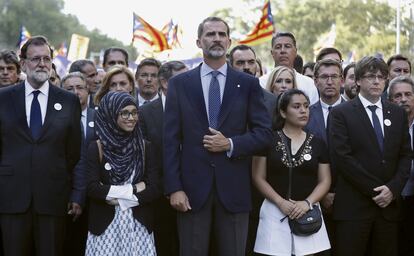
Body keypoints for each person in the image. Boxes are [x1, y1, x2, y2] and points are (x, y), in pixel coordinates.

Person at [163, 16, 272, 256]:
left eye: (222, 34)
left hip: (234, 190)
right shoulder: (180, 84)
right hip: (191, 192)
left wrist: (230, 144)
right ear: (199, 42)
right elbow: (170, 141)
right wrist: (174, 188)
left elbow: (264, 134)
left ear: (229, 41)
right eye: (211, 34)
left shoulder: (248, 84)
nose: (217, 39)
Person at [0, 35, 81, 255]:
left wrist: (75, 193)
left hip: (53, 199)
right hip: (10, 198)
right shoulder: (3, 98)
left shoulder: (68, 101)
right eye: (36, 59)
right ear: (23, 63)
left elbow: (74, 152)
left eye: (46, 58)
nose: (42, 64)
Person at [329, 56, 412, 256]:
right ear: (357, 80)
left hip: (388, 210)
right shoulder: (341, 113)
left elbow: (405, 155)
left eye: (381, 77)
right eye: (370, 76)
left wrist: (392, 189)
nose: (376, 81)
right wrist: (376, 191)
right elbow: (342, 157)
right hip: (354, 209)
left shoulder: (397, 113)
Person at [253, 88, 331, 255]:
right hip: (274, 211)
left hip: (308, 212)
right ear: (283, 111)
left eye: (306, 106)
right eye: (296, 106)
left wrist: (307, 203)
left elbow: (325, 181)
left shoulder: (318, 143)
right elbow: (258, 177)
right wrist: (280, 202)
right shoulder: (267, 140)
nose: (303, 110)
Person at [85, 91, 161, 255]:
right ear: (110, 114)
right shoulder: (96, 147)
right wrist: (133, 189)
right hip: (105, 226)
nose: (131, 118)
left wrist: (121, 201)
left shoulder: (145, 147)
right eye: (124, 113)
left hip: (138, 224)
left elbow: (154, 188)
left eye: (134, 112)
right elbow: (92, 188)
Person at [138, 60, 188, 256]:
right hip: (158, 196)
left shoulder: (197, 109)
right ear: (165, 83)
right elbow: (144, 156)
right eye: (183, 79)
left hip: (193, 193)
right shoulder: (145, 113)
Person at [62, 72, 96, 256]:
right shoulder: (57, 119)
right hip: (65, 195)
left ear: (87, 89)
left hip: (95, 197)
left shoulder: (99, 117)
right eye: (69, 88)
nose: (76, 92)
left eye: (80, 87)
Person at [387, 76, 414, 256]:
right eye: (397, 96)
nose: (403, 99)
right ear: (389, 100)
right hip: (391, 201)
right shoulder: (383, 126)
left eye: (408, 94)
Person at [260, 32, 319, 105]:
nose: (282, 51)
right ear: (272, 53)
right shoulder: (261, 83)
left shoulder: (309, 84)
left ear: (295, 52)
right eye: (278, 47)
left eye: (287, 46)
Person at [228, 44, 277, 117]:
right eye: (240, 63)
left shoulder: (271, 100)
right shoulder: (221, 97)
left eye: (251, 62)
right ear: (230, 66)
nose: (246, 67)